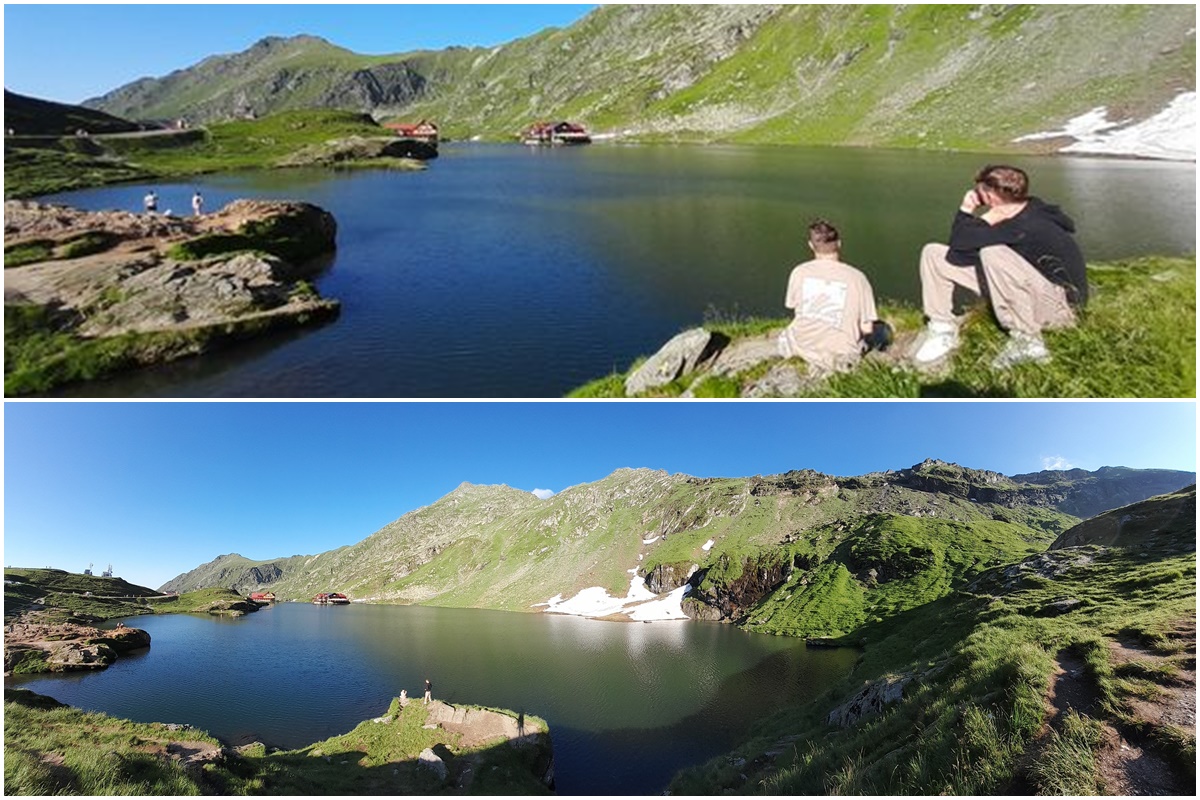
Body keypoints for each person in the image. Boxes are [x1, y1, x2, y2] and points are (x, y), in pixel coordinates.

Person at [911, 164, 1087, 369]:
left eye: (979, 191)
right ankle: (942, 327)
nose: (976, 195)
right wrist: (985, 220)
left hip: (1062, 309)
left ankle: (1028, 341)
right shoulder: (1021, 211)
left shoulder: (1022, 225)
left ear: (990, 194)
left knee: (992, 252)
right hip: (1032, 290)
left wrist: (968, 211)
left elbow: (961, 242)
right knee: (933, 253)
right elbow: (957, 253)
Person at [777, 219, 884, 373]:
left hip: (801, 346)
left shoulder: (799, 272)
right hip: (843, 353)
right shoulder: (858, 278)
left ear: (811, 245)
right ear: (839, 243)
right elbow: (867, 328)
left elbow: (793, 307)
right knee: (881, 332)